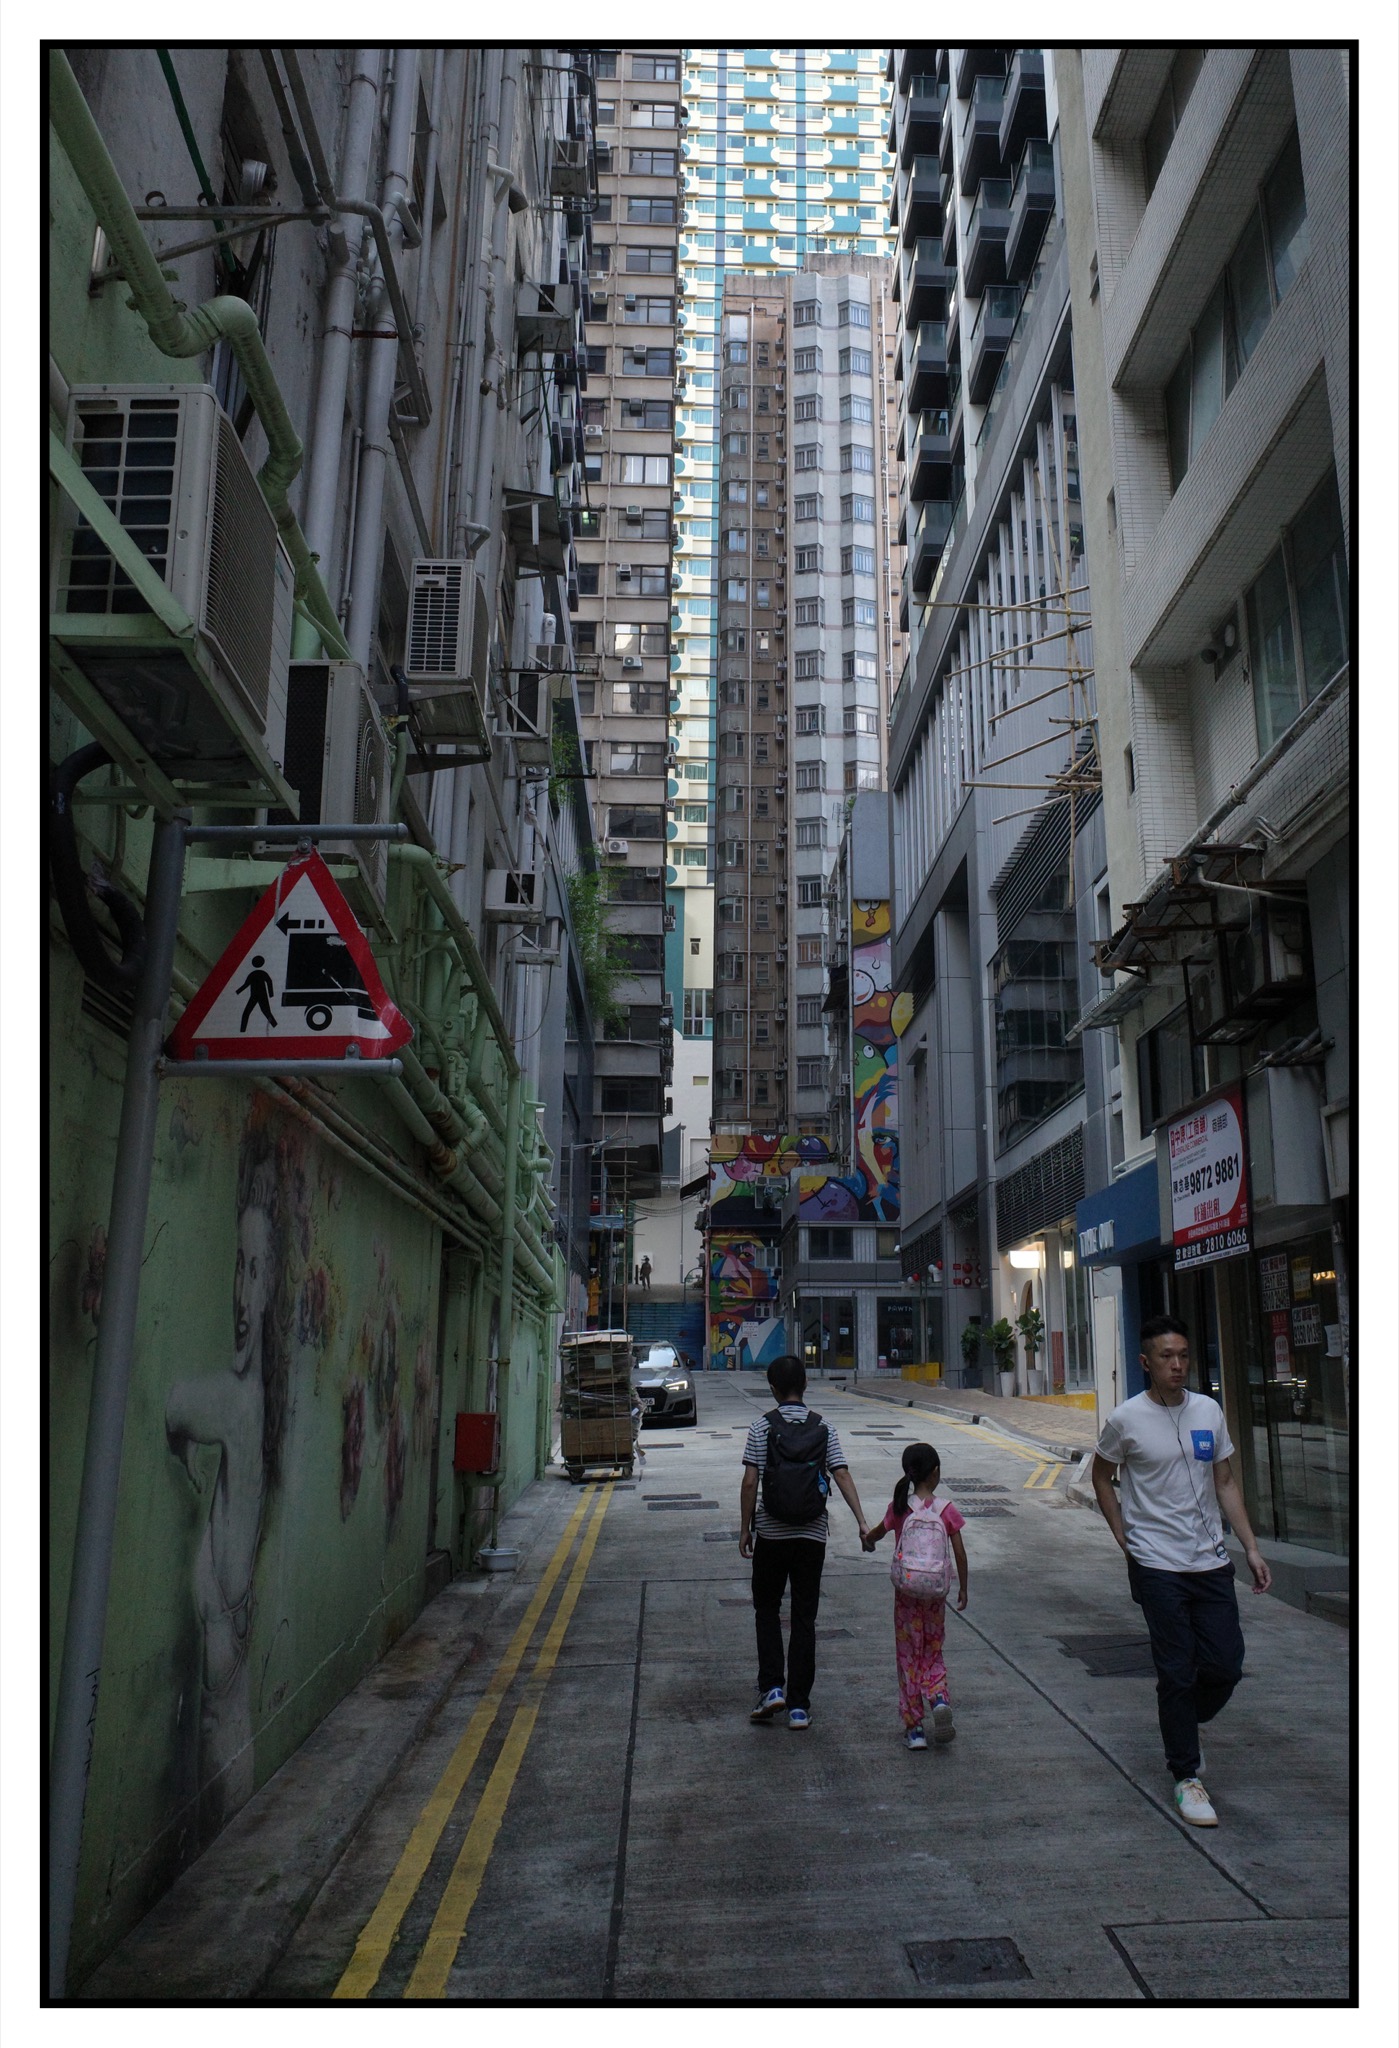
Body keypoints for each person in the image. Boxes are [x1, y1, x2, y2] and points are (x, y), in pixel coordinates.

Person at [1092, 1313, 1273, 1828]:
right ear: (1146, 1363)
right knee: (1175, 1669)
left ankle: (1183, 1728)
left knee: (1224, 1666)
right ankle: (1186, 1775)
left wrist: (1251, 1547)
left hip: (1210, 1560)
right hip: (1156, 1563)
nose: (1178, 1365)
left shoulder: (1208, 1411)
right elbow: (1101, 1476)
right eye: (1166, 1357)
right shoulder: (1126, 1419)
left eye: (1184, 1355)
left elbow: (1225, 1482)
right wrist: (1123, 1536)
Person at [739, 1355, 870, 1729]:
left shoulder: (761, 1427)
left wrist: (745, 1528)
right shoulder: (824, 1427)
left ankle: (772, 1689)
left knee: (767, 1609)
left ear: (773, 1389)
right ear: (806, 1385)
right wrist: (862, 1522)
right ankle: (798, 1706)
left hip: (772, 1533)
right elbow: (841, 1474)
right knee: (804, 1617)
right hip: (812, 1536)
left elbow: (750, 1481)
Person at [862, 1443, 968, 1750]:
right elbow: (960, 1553)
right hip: (934, 1597)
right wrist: (963, 1587)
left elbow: (878, 1532)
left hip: (906, 1596)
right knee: (932, 1650)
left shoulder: (900, 1507)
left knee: (908, 1656)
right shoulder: (946, 1509)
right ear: (935, 1473)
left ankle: (915, 1729)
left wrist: (868, 1540)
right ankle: (938, 1697)